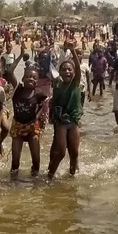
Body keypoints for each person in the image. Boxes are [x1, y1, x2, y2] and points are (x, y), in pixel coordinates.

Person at [47, 43, 82, 179]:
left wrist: (73, 51)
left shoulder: (75, 83)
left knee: (74, 152)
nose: (67, 72)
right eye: (64, 70)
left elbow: (78, 69)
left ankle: (72, 176)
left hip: (73, 121)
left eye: (70, 70)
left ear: (74, 73)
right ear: (60, 73)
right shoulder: (57, 84)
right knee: (61, 151)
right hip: (60, 120)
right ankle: (50, 175)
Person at [10, 68, 47, 179]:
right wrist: (21, 55)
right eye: (28, 76)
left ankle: (35, 177)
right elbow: (9, 72)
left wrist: (38, 117)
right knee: (15, 159)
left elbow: (43, 105)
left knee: (36, 158)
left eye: (34, 77)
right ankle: (13, 180)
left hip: (32, 127)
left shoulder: (39, 93)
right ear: (23, 78)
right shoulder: (17, 89)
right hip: (18, 126)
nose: (31, 78)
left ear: (37, 82)